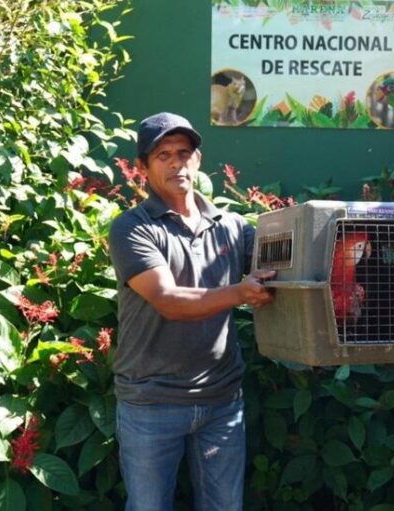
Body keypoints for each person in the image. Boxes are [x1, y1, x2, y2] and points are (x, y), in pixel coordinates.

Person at [108, 112, 274, 510]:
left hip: (222, 401)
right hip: (151, 402)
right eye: (162, 154)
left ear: (197, 161)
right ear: (144, 168)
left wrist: (347, 254)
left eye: (184, 152)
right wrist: (239, 292)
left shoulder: (232, 226)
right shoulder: (133, 228)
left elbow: (284, 264)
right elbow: (167, 299)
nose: (176, 162)